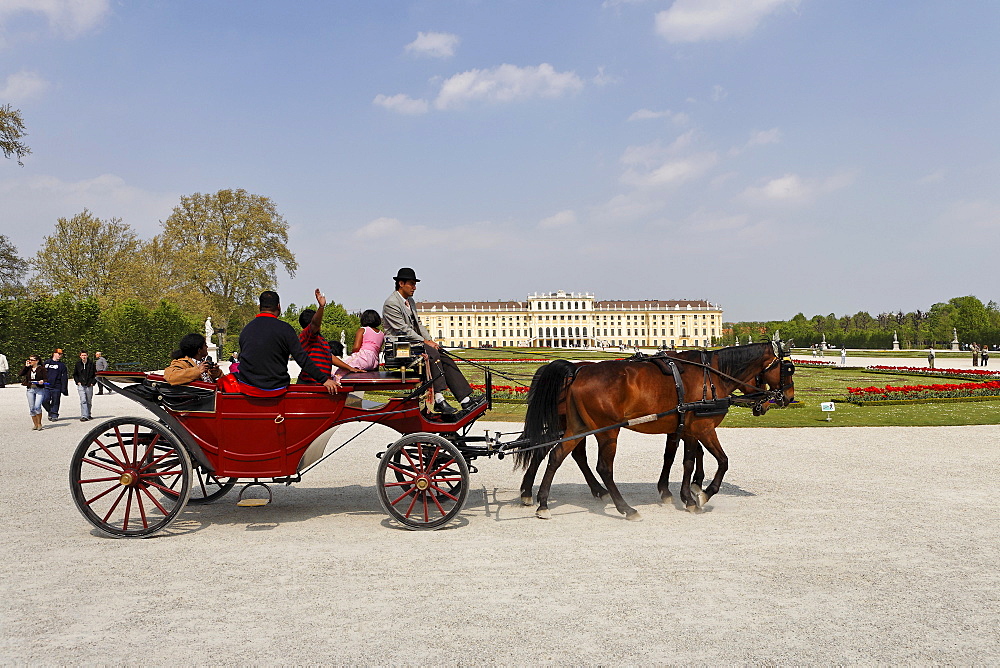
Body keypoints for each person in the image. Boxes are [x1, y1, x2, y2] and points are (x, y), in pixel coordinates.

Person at [382, 267, 477, 415]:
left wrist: (430, 341)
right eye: (411, 283)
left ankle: (465, 399)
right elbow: (403, 330)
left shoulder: (410, 301)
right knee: (431, 353)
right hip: (399, 346)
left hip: (413, 344)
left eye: (415, 284)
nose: (415, 287)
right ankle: (439, 399)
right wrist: (425, 343)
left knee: (442, 354)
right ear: (401, 283)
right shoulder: (391, 303)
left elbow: (418, 324)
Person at [237, 290, 340, 396]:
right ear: (278, 307)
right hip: (276, 389)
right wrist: (324, 380)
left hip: (247, 388)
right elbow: (301, 358)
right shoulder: (285, 329)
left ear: (259, 307)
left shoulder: (246, 329)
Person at [297, 288, 361, 384]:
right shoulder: (307, 335)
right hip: (309, 383)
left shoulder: (319, 339)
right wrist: (321, 307)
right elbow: (314, 324)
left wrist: (350, 368)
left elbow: (329, 357)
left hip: (320, 383)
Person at [335, 309, 385, 379]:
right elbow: (378, 350)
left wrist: (352, 354)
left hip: (363, 357)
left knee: (341, 370)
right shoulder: (381, 334)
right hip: (374, 361)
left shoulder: (363, 330)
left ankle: (337, 386)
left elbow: (356, 347)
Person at [19, 355, 47, 430]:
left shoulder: (42, 369)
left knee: (37, 406)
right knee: (32, 408)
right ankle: (35, 424)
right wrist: (26, 366)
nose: (30, 361)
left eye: (32, 360)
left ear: (37, 361)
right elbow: (21, 374)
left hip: (39, 389)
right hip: (30, 389)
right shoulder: (28, 369)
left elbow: (46, 379)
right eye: (29, 360)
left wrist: (42, 381)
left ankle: (39, 423)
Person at [41, 348, 69, 421]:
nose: (60, 356)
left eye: (61, 354)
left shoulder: (62, 365)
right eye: (58, 354)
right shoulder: (46, 363)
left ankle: (54, 414)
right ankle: (50, 411)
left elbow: (64, 377)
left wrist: (64, 388)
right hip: (46, 385)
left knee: (55, 401)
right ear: (54, 354)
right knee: (44, 400)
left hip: (57, 386)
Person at [73, 350, 98, 421]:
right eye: (82, 355)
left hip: (89, 384)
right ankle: (84, 415)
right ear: (80, 356)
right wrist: (77, 382)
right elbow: (75, 374)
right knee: (83, 400)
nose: (83, 357)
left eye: (85, 355)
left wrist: (93, 382)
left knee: (88, 400)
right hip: (81, 384)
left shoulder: (91, 364)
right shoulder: (78, 364)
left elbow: (95, 374)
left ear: (87, 356)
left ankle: (88, 414)